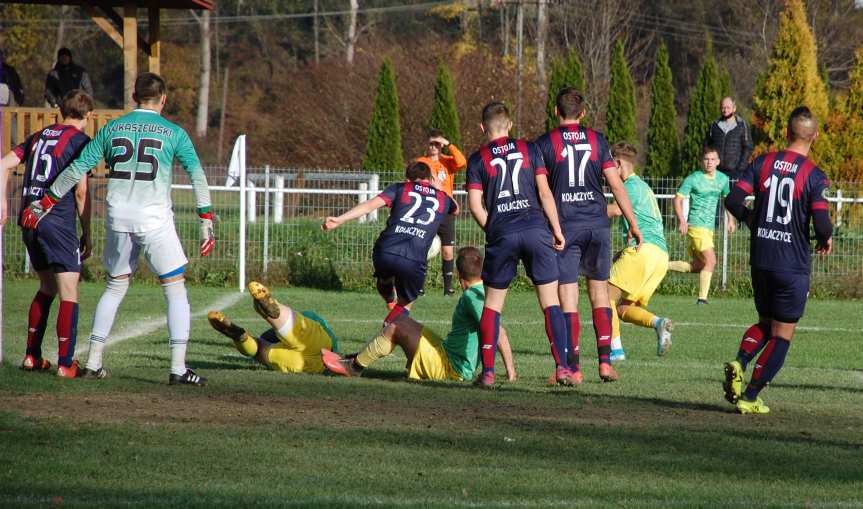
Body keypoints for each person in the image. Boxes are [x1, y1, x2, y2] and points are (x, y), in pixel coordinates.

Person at [22, 72, 216, 385]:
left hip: (119, 217)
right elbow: (197, 174)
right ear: (163, 99)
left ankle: (95, 361)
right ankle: (179, 369)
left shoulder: (113, 128)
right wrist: (205, 217)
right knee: (175, 287)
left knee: (115, 286)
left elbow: (78, 168)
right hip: (154, 219)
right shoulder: (173, 132)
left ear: (134, 98)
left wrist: (46, 201)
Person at [722, 106, 832, 415]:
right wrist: (825, 238)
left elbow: (732, 200)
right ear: (815, 136)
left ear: (786, 132)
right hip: (791, 264)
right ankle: (750, 395)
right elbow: (822, 225)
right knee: (783, 334)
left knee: (766, 324)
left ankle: (740, 361)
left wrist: (751, 220)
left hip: (761, 259)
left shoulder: (762, 163)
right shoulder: (813, 175)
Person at [533, 87, 642, 383]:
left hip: (565, 228)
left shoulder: (544, 144)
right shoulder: (598, 140)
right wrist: (633, 222)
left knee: (568, 296)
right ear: (582, 114)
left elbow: (541, 191)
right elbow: (617, 186)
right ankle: (605, 364)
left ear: (556, 112)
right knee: (599, 294)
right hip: (596, 225)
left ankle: (574, 369)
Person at [466, 101, 572, 388]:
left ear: (482, 128)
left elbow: (475, 206)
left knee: (493, 304)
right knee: (550, 301)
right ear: (510, 125)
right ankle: (562, 367)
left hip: (502, 233)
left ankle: (488, 373)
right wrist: (557, 229)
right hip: (536, 229)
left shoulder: (477, 160)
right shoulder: (530, 149)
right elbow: (545, 193)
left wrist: (494, 229)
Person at [0, 90, 94, 377]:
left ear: (61, 112)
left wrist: (2, 202)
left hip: (29, 218)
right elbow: (80, 191)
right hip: (56, 221)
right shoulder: (80, 142)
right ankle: (66, 363)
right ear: (87, 116)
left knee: (47, 287)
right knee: (69, 292)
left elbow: (4, 164)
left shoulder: (40, 135)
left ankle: (32, 356)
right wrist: (87, 232)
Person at [322, 246, 517, 382]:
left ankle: (353, 367)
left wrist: (509, 371)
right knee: (400, 321)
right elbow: (501, 331)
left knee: (396, 327)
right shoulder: (484, 292)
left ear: (458, 276)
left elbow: (496, 331)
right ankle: (355, 358)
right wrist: (510, 370)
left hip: (451, 369)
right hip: (447, 353)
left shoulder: (471, 297)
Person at [322, 160, 457, 326]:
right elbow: (455, 209)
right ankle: (390, 324)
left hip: (385, 251)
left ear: (408, 179)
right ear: (430, 178)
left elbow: (369, 206)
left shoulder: (400, 188)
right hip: (414, 257)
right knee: (406, 302)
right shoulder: (442, 197)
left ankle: (387, 290)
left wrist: (339, 220)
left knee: (384, 278)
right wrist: (439, 189)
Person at [606, 143, 673, 360]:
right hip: (660, 256)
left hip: (643, 251)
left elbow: (615, 210)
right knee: (623, 309)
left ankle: (615, 351)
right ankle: (659, 323)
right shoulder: (644, 187)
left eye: (608, 167)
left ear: (617, 164)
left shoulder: (630, 187)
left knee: (603, 296)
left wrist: (582, 208)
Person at [208, 282, 337, 374]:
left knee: (263, 345)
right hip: (316, 363)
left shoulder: (311, 319)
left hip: (312, 351)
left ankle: (247, 335)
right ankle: (243, 336)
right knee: (261, 350)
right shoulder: (312, 320)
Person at [669, 146, 736, 304]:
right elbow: (677, 199)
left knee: (700, 265)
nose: (709, 162)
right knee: (711, 261)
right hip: (696, 226)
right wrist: (682, 220)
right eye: (706, 159)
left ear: (718, 162)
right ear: (702, 161)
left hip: (709, 229)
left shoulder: (723, 179)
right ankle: (702, 299)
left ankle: (663, 265)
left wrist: (731, 220)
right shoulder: (693, 178)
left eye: (713, 159)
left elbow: (727, 200)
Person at [416, 129, 467, 296]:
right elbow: (413, 182)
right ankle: (420, 286)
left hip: (446, 212)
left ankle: (448, 288)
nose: (433, 147)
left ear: (441, 145)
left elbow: (462, 162)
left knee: (447, 251)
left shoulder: (447, 162)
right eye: (431, 143)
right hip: (428, 210)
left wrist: (449, 144)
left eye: (436, 144)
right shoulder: (421, 162)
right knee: (423, 247)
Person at [704, 97, 753, 180]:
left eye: (728, 108)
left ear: (734, 108)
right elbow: (707, 145)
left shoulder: (742, 125)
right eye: (723, 108)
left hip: (735, 172)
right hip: (716, 172)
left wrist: (740, 168)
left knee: (733, 193)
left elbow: (748, 147)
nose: (725, 110)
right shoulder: (714, 125)